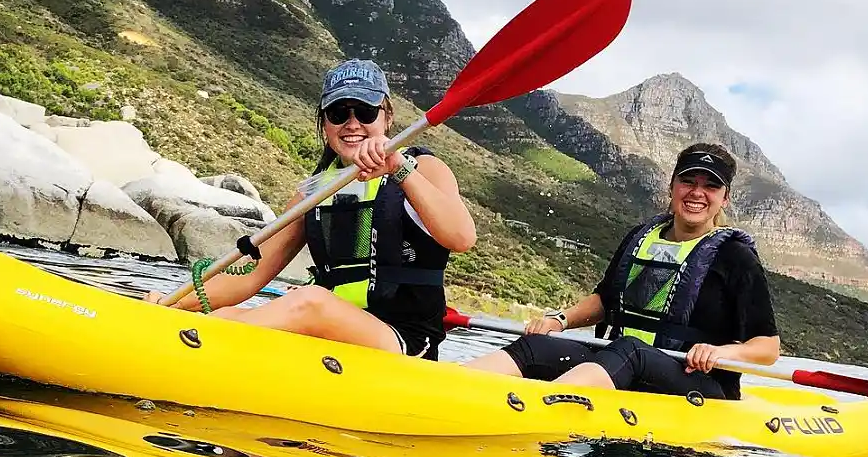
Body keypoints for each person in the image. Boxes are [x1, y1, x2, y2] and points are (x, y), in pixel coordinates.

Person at [145, 59, 476, 360]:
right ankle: (174, 344)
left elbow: (461, 237)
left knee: (310, 301)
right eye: (338, 114)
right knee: (227, 316)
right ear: (325, 123)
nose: (352, 124)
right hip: (329, 335)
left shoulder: (422, 168)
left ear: (386, 116)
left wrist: (398, 168)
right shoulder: (315, 191)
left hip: (405, 342)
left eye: (365, 112)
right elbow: (249, 277)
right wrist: (171, 304)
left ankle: (187, 348)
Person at [465, 143, 779, 399]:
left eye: (710, 186)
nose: (697, 192)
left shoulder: (735, 256)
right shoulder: (640, 238)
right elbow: (606, 300)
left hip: (697, 380)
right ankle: (458, 387)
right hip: (620, 361)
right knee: (538, 346)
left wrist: (721, 352)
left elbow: (768, 347)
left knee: (630, 351)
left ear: (724, 198)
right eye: (688, 182)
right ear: (672, 186)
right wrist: (559, 320)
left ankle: (536, 406)